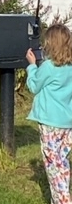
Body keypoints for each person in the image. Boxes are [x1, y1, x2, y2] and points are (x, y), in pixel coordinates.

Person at [26, 24, 72, 204]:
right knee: (62, 163)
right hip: (67, 123)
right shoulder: (70, 67)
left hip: (49, 123)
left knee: (53, 166)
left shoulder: (48, 67)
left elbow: (34, 86)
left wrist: (31, 66)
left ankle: (63, 200)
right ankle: (59, 197)